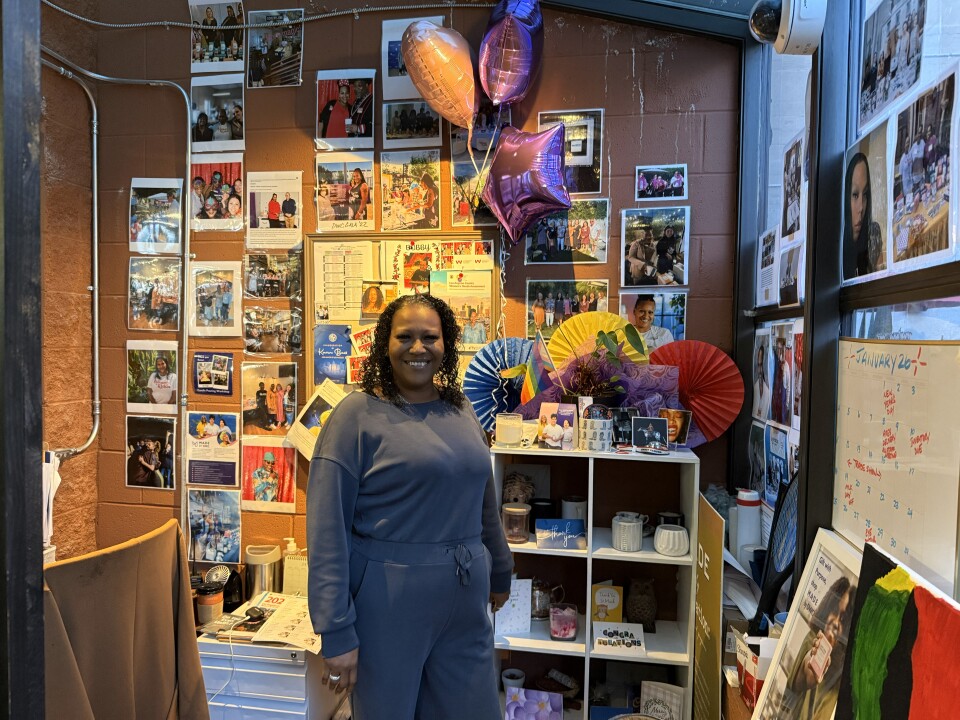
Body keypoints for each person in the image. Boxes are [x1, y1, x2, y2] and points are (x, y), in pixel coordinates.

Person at [307, 294, 513, 718]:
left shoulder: (460, 408)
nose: (418, 348)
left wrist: (501, 567)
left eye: (430, 337)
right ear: (386, 342)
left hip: (465, 600)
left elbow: (483, 497)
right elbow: (327, 529)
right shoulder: (355, 416)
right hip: (388, 603)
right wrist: (336, 631)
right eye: (405, 336)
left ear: (446, 343)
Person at [782, 576, 856, 720]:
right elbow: (797, 681)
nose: (835, 622)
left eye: (844, 618)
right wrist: (808, 671)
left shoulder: (844, 676)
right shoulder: (812, 639)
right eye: (835, 612)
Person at [843, 152, 884, 278]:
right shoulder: (836, 246)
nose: (861, 207)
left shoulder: (873, 234)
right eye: (855, 195)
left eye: (865, 194)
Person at [752, 343, 772, 419]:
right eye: (758, 365)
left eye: (761, 366)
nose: (759, 370)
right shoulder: (754, 387)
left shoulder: (767, 392)